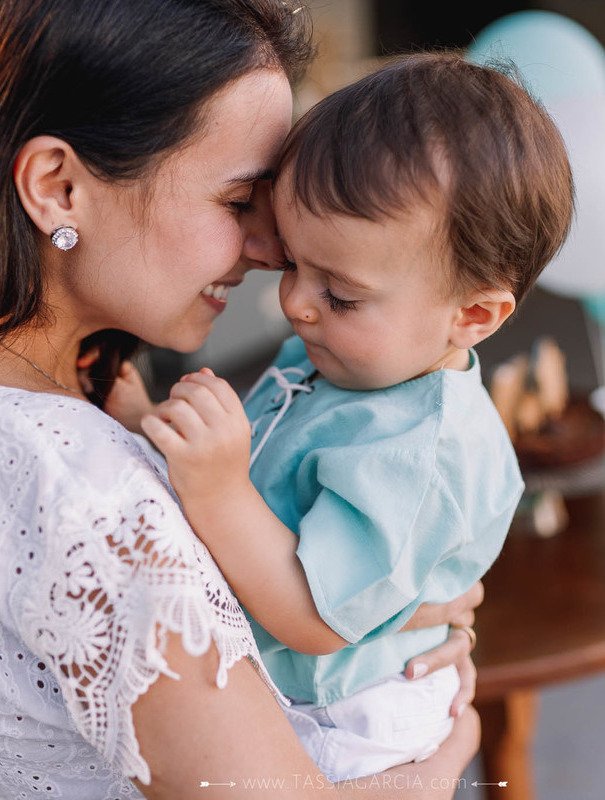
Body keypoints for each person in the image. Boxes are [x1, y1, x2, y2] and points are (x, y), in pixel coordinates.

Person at [0, 2, 483, 797]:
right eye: (239, 200)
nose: (272, 250)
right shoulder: (69, 481)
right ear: (59, 187)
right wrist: (445, 755)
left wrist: (375, 607)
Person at [106, 54, 573, 783]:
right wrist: (154, 428)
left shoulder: (421, 449)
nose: (295, 302)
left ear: (472, 315)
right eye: (296, 263)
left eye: (341, 292)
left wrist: (219, 488)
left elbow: (315, 619)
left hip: (344, 726)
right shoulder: (341, 358)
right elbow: (273, 488)